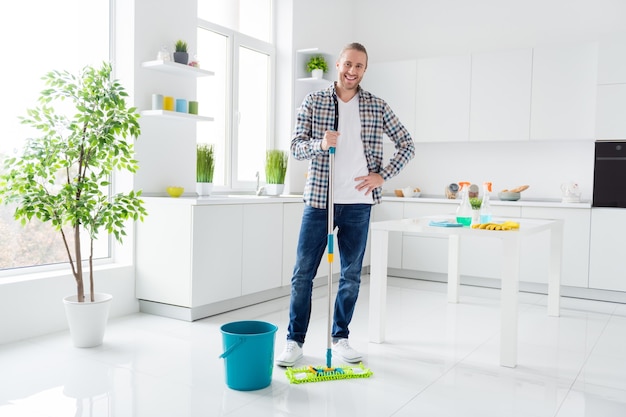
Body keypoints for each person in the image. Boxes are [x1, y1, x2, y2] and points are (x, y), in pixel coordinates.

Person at [276, 42, 415, 367]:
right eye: (348, 64)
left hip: (358, 203)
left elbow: (407, 145)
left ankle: (340, 338)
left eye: (359, 66)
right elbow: (296, 147)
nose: (352, 71)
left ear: (365, 70)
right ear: (338, 64)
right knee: (302, 275)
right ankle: (294, 342)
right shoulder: (314, 101)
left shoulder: (376, 106)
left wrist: (382, 175)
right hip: (320, 201)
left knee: (351, 275)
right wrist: (320, 143)